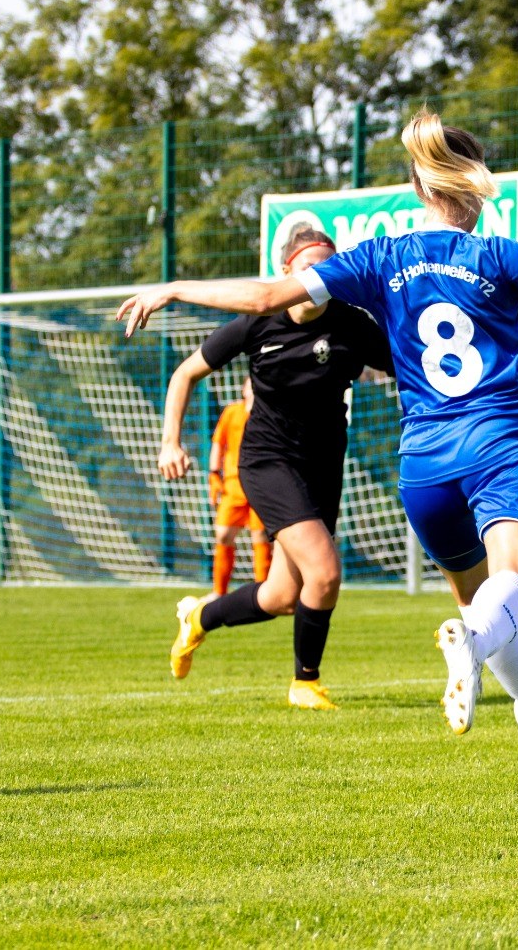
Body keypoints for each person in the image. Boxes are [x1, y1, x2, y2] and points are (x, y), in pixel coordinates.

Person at [116, 111, 518, 752]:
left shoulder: (382, 257)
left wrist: (173, 287)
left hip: (425, 466)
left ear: (419, 190)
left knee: (483, 603)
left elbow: (265, 297)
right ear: (475, 189)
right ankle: (471, 648)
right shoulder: (503, 255)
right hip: (500, 441)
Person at [149, 228, 393, 711]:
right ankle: (305, 682)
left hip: (323, 467)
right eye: (309, 267)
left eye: (328, 267)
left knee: (283, 595)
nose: (319, 276)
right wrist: (170, 442)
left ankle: (199, 617)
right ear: (287, 272)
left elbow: (412, 369)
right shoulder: (257, 323)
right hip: (268, 461)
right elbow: (185, 374)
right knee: (324, 573)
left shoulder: (353, 324)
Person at [208, 377, 274, 595]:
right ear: (244, 389)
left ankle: (264, 593)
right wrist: (214, 474)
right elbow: (218, 443)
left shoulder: (268, 415)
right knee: (223, 534)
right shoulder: (232, 412)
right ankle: (219, 592)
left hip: (261, 485)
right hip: (234, 485)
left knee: (261, 536)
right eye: (249, 385)